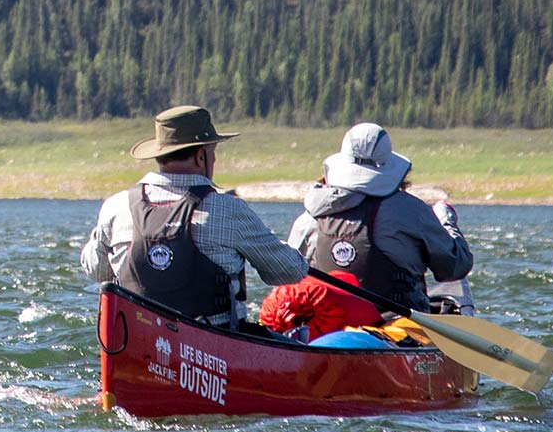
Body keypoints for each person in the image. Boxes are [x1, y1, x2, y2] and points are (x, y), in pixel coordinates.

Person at [82, 105, 309, 327]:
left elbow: (96, 270)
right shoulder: (229, 210)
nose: (215, 160)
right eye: (213, 152)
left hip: (135, 340)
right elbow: (289, 272)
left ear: (160, 155)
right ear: (201, 156)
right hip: (214, 348)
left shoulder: (115, 206)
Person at [286, 122, 473, 314]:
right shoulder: (409, 210)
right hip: (398, 329)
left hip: (327, 328)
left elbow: (286, 276)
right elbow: (454, 268)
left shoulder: (311, 214)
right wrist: (446, 221)